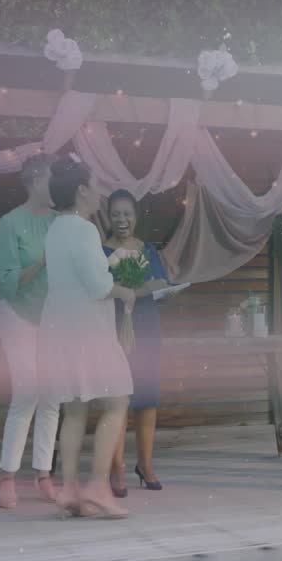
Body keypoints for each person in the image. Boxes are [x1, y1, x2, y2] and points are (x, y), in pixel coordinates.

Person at [36, 156, 137, 519]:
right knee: (117, 400)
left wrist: (108, 268)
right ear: (81, 190)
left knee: (75, 408)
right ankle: (97, 486)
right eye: (96, 186)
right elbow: (97, 286)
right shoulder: (84, 229)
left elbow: (75, 275)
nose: (100, 194)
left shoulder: (56, 229)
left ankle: (69, 489)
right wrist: (124, 291)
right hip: (87, 331)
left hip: (60, 328)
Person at [0, 153, 60, 509]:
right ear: (35, 182)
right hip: (17, 314)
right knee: (27, 392)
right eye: (52, 178)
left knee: (52, 396)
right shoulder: (10, 223)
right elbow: (7, 283)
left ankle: (43, 475)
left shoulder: (61, 221)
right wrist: (44, 260)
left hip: (52, 318)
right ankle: (7, 477)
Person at [102, 189, 171, 496]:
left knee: (147, 398)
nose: (122, 219)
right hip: (113, 328)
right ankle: (115, 467)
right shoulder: (100, 251)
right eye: (116, 214)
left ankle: (145, 464)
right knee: (118, 399)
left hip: (146, 327)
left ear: (136, 216)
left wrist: (133, 288)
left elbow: (160, 283)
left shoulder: (148, 250)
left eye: (127, 213)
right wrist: (131, 288)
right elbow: (101, 287)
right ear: (108, 216)